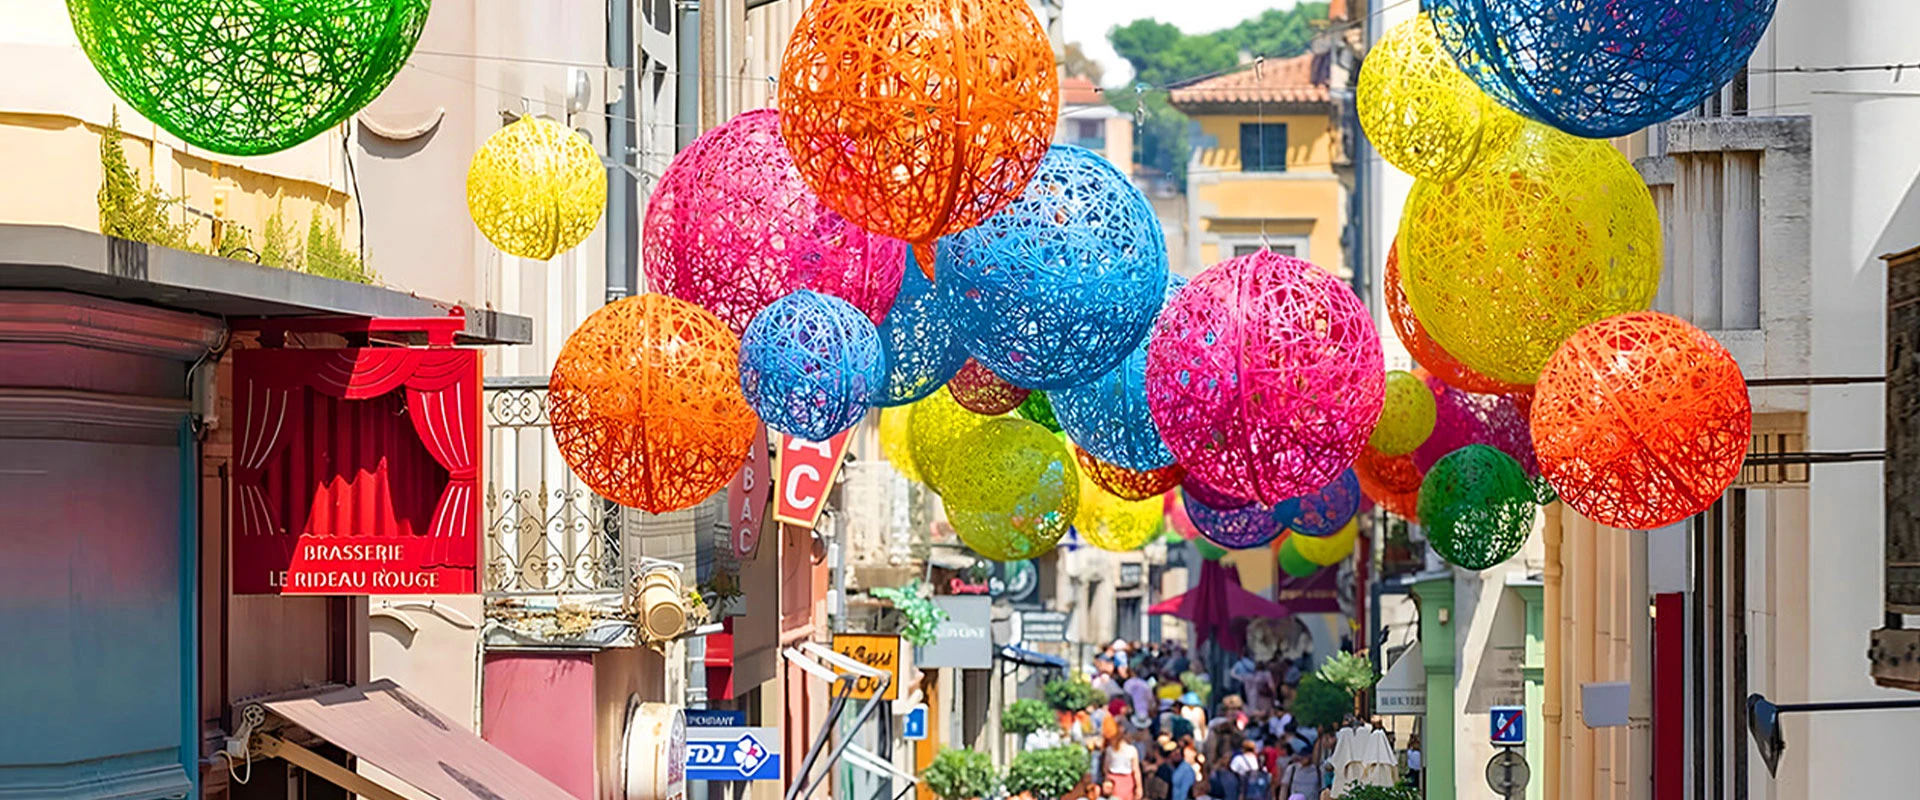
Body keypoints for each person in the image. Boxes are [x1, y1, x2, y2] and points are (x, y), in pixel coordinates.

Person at [1105, 730, 1144, 800]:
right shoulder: (1132, 750)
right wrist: (1139, 787)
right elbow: (1136, 770)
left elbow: (1105, 768)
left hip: (1113, 779)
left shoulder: (1110, 750)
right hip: (1127, 780)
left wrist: (1106, 779)